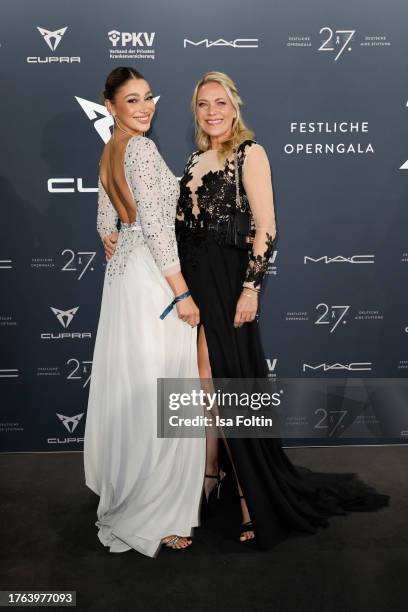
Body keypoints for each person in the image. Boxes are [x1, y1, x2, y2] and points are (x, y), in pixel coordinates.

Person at [175, 70, 390, 547]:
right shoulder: (193, 160)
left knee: (231, 381)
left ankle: (253, 493)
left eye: (221, 103)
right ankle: (212, 472)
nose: (212, 112)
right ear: (196, 111)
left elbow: (267, 224)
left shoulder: (250, 154)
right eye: (204, 104)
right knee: (204, 378)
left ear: (235, 107)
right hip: (195, 281)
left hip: (229, 281)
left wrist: (251, 289)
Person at [83, 66, 205, 557]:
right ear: (110, 106)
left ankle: (131, 491)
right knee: (166, 389)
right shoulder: (141, 148)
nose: (145, 107)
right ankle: (159, 509)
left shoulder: (110, 151)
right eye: (131, 100)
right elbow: (157, 227)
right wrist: (181, 293)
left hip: (123, 283)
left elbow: (105, 223)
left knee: (137, 390)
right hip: (154, 281)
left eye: (148, 97)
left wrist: (113, 237)